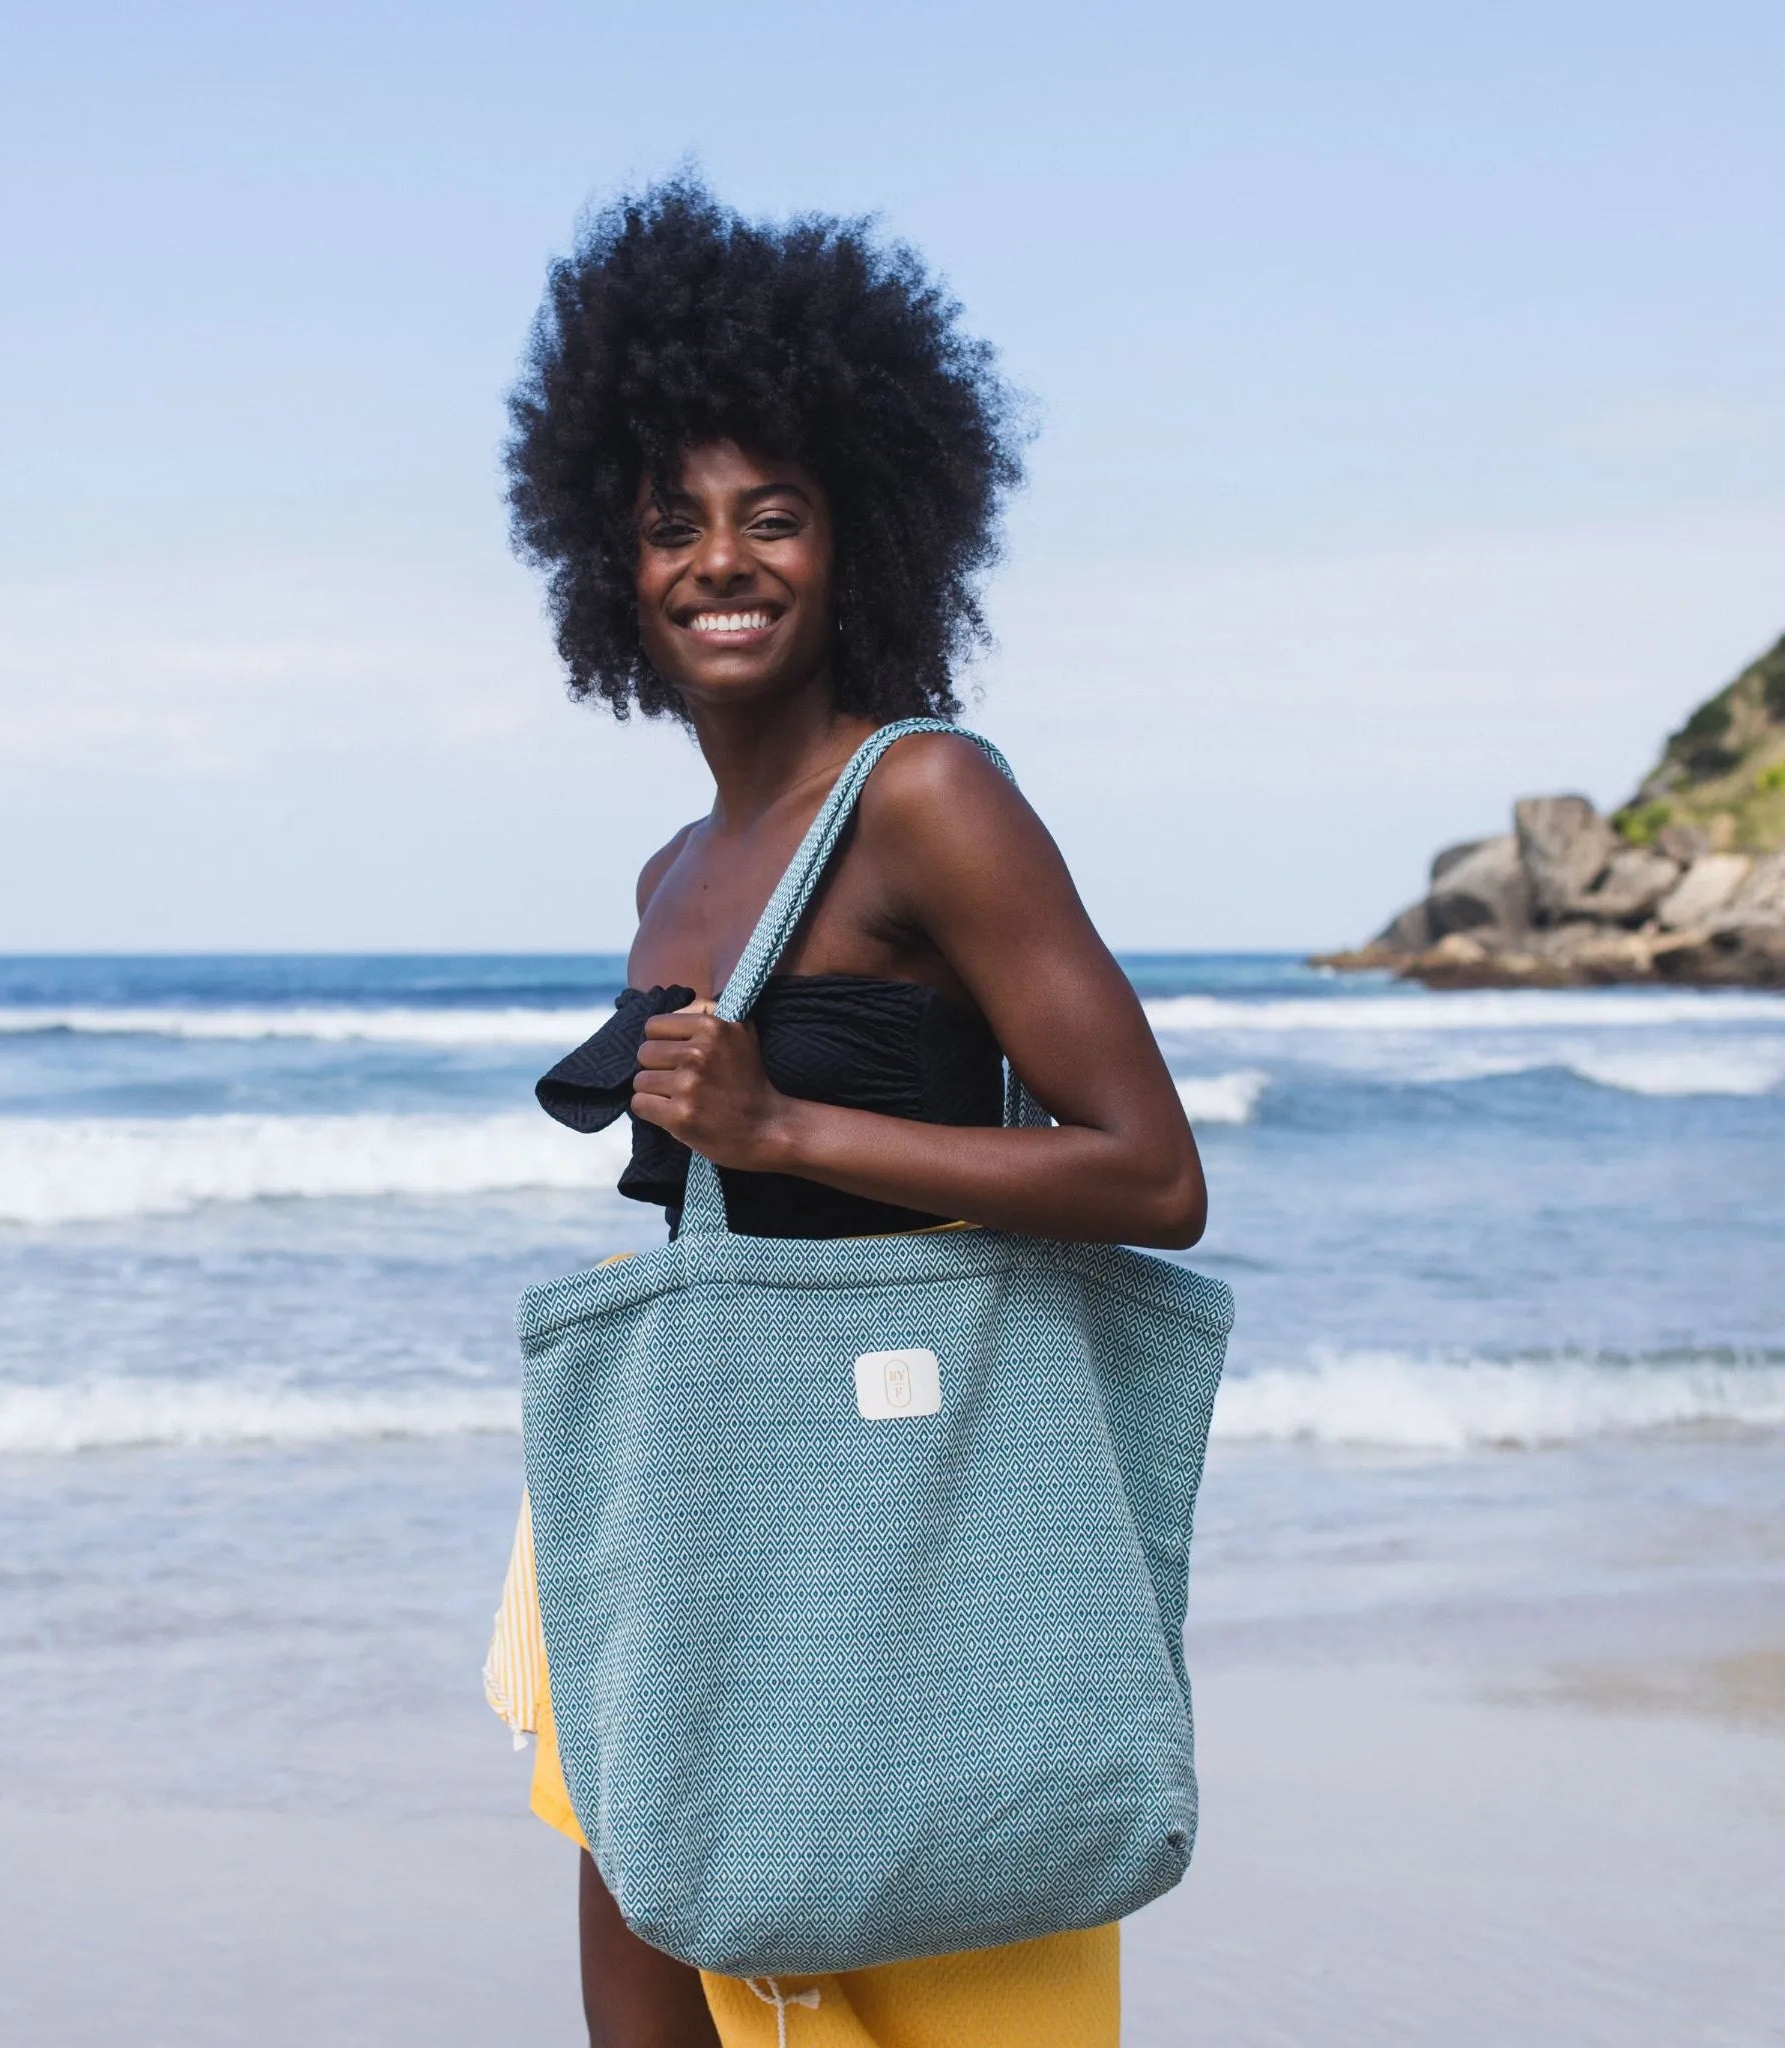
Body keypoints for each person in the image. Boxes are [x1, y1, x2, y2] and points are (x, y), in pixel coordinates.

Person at [487, 177, 1207, 2048]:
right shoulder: (671, 866)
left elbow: (1152, 1173)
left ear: (860, 539)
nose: (720, 560)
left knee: (937, 1978)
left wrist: (787, 1134)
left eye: (772, 516)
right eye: (672, 524)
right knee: (648, 1971)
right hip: (687, 1511)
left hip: (907, 1525)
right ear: (607, 563)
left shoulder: (930, 795)